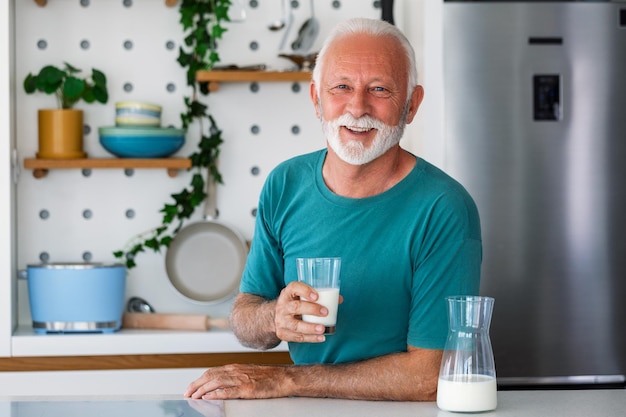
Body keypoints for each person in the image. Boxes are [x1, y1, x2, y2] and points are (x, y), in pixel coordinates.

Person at [184, 17, 482, 401]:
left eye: (379, 89)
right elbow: (245, 318)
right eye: (341, 87)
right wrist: (274, 316)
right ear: (316, 99)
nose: (357, 108)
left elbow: (431, 376)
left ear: (411, 105)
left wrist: (288, 380)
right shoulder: (284, 184)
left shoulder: (444, 208)